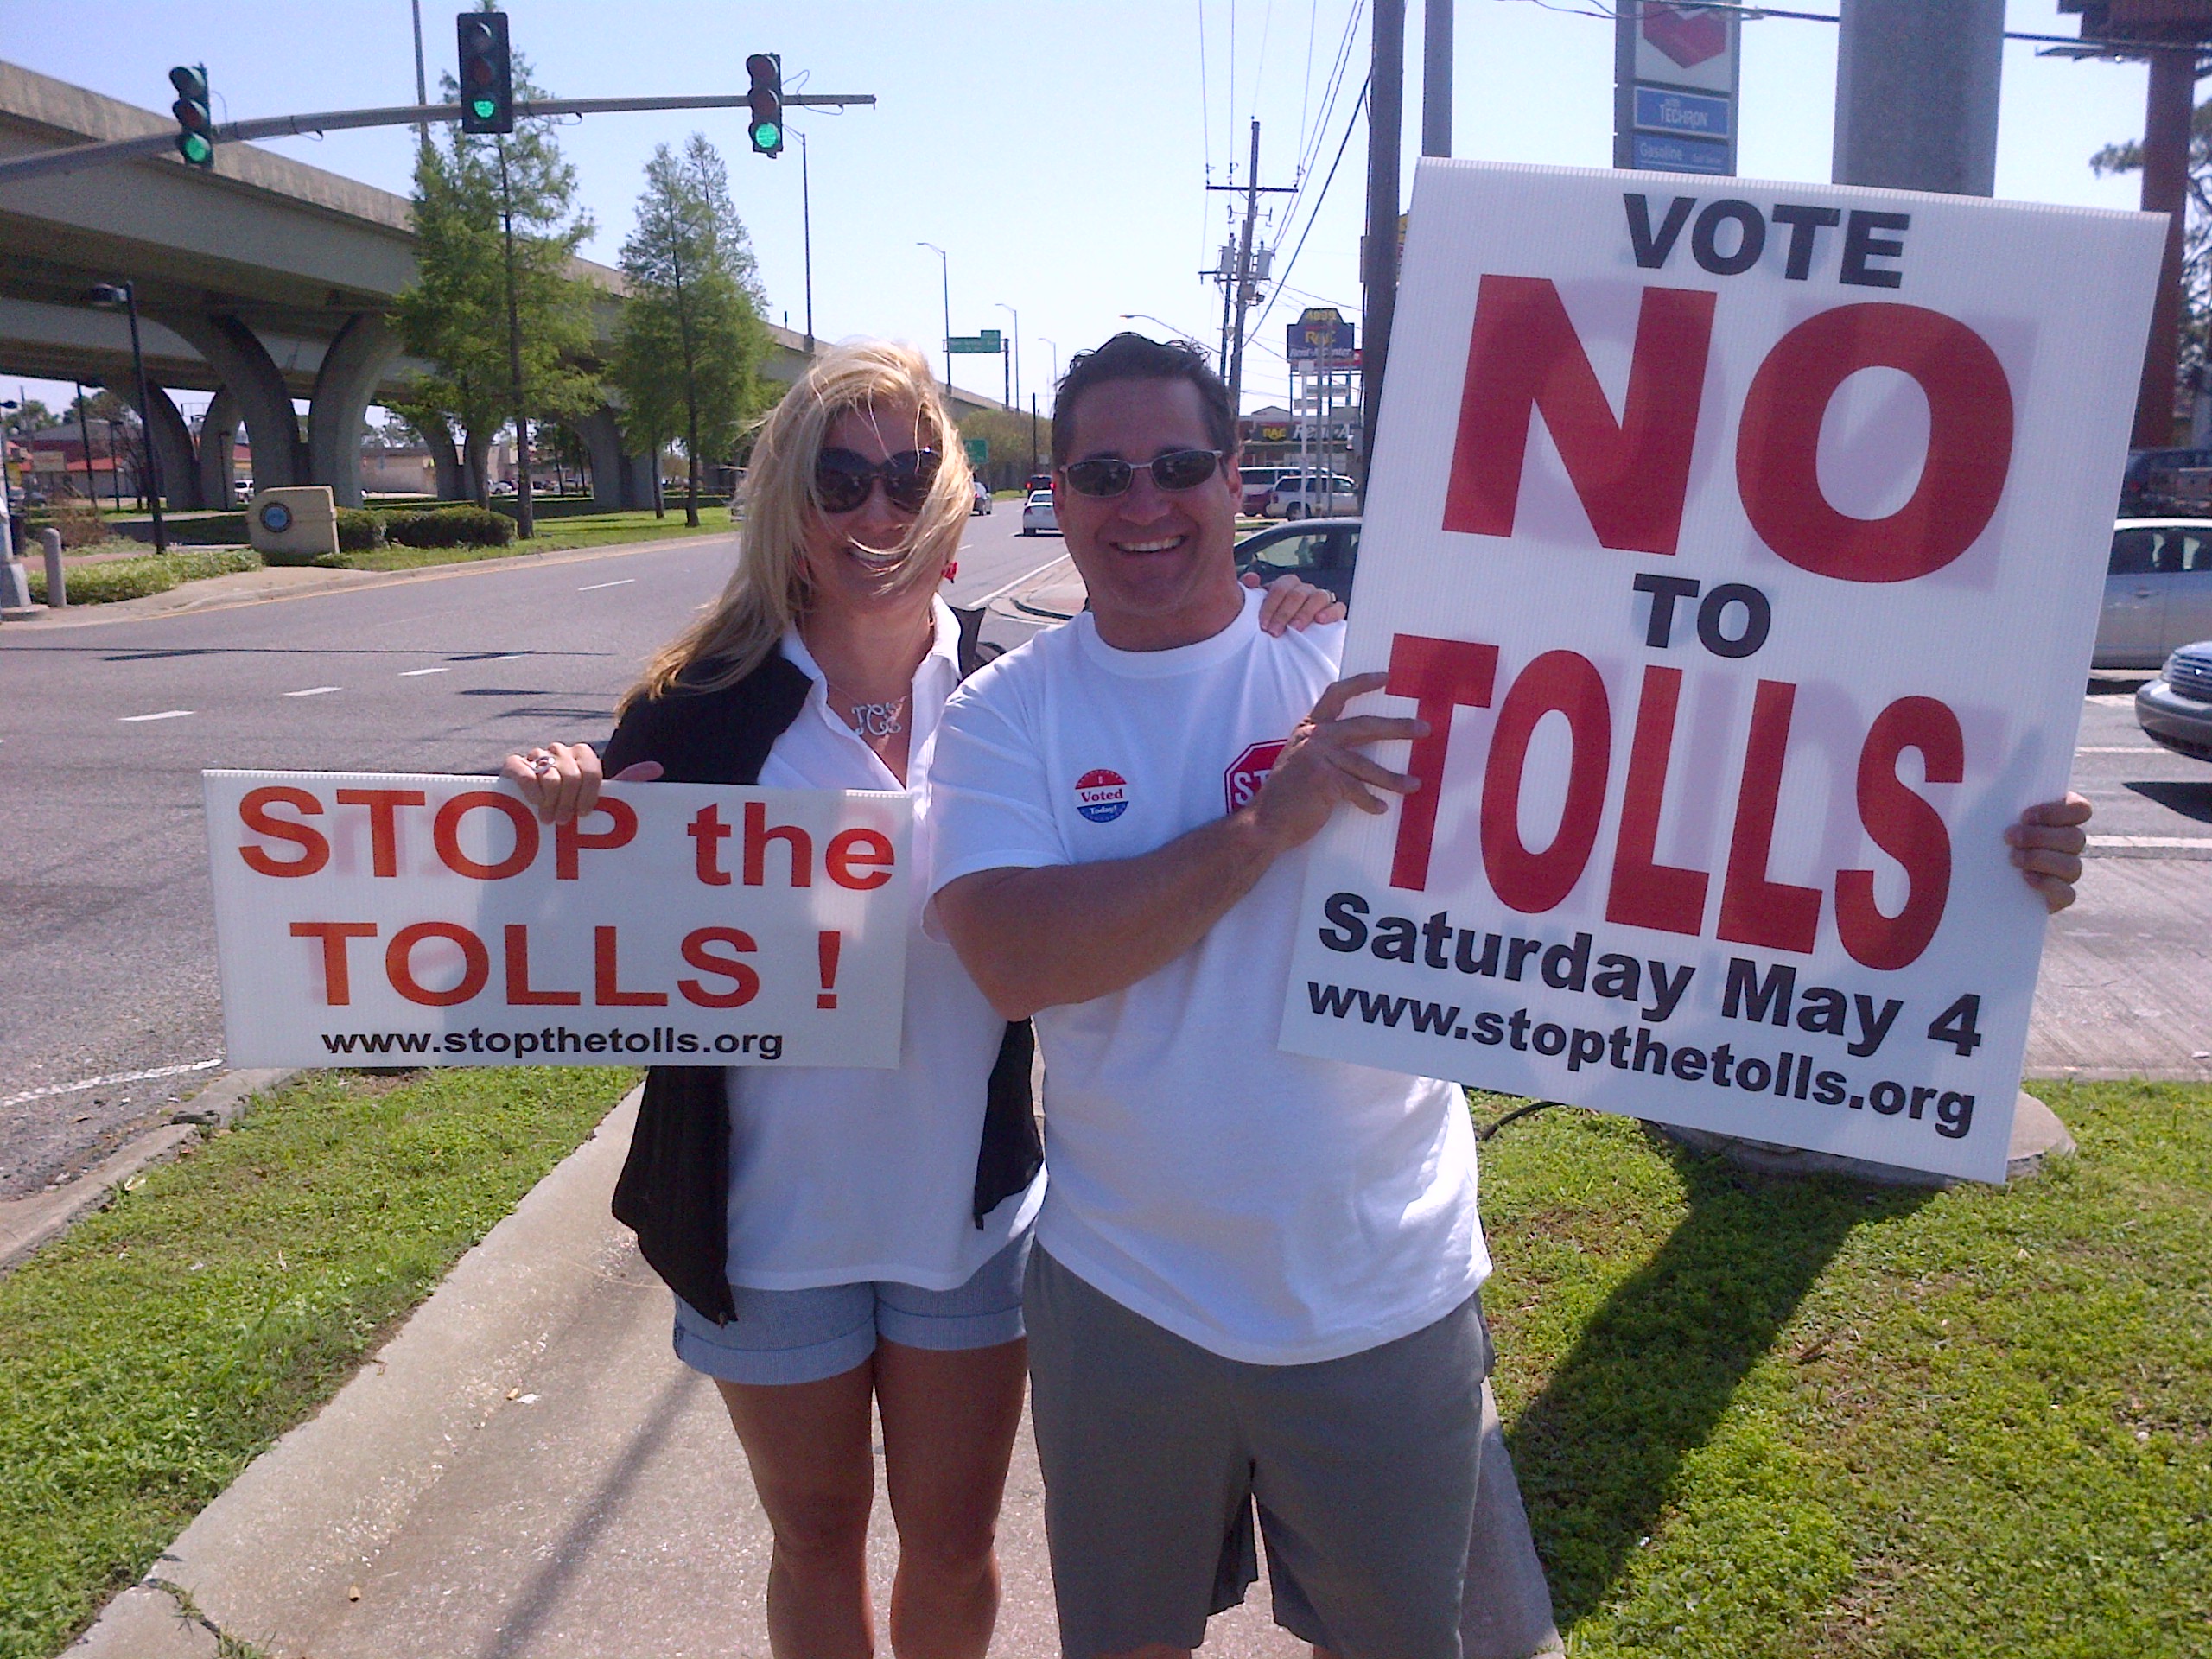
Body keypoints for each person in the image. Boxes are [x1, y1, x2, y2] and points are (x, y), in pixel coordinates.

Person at [927, 332, 2092, 1659]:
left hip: (1382, 1293)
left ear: (1237, 479)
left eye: (1180, 464)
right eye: (1107, 473)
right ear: (1059, 494)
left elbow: (1689, 817)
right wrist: (1264, 826)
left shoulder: (1384, 668)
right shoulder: (1005, 715)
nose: (1145, 503)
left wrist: (1979, 862)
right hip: (1126, 1297)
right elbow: (1014, 958)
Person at [502, 338, 1344, 1659]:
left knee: (954, 1550)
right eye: (841, 481)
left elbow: (1185, 733)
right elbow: (567, 935)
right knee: (816, 1539)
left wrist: (1285, 609)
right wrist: (560, 800)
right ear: (791, 500)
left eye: (906, 476)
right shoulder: (701, 711)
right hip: (765, 1220)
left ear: (950, 493)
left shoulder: (1023, 692)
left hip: (971, 1207)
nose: (877, 514)